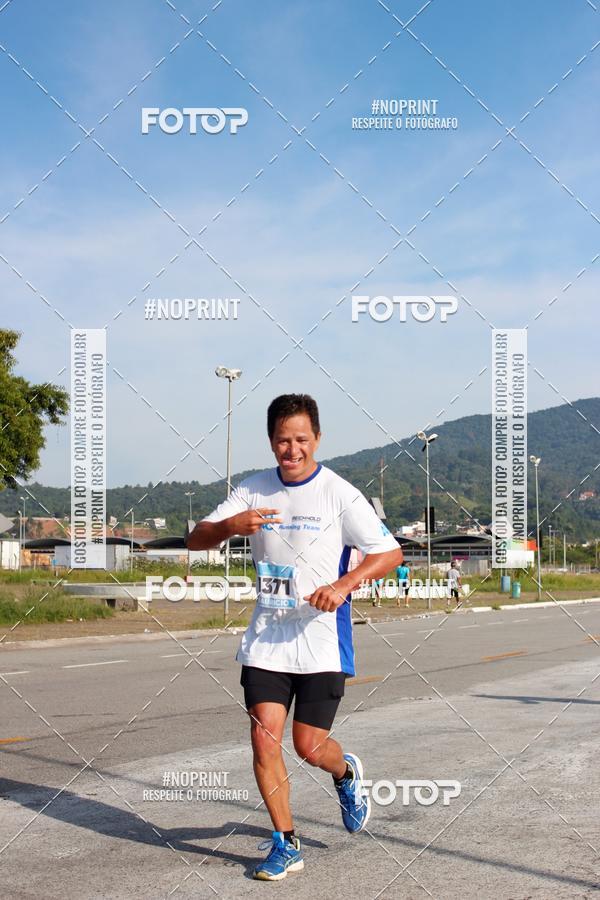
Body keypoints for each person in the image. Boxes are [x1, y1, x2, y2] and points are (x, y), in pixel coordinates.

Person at [187, 394, 403, 881]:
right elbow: (195, 538)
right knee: (264, 742)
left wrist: (344, 585)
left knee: (308, 747)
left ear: (317, 439)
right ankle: (285, 842)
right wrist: (228, 527)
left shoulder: (340, 494)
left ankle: (345, 772)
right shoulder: (252, 490)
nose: (293, 449)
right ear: (271, 442)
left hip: (322, 638)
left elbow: (389, 553)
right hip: (267, 638)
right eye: (283, 440)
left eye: (302, 439)